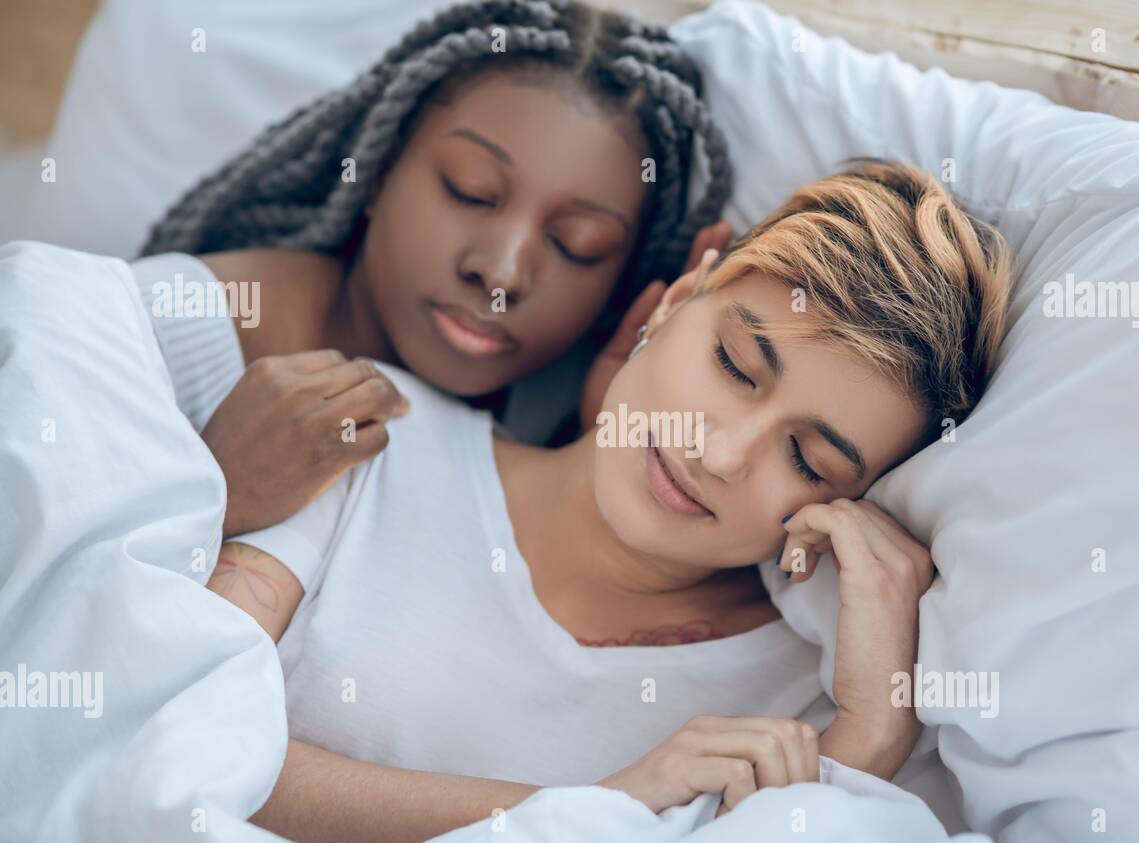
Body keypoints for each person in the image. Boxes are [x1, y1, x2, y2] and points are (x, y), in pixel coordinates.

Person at [206, 159, 1012, 843]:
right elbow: (185, 746)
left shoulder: (807, 710)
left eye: (811, 460)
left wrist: (864, 747)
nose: (720, 455)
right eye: (733, 365)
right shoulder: (373, 436)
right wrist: (613, 810)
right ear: (678, 301)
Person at [134, 0, 733, 537]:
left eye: (578, 245)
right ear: (378, 166)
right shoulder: (155, 330)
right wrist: (221, 498)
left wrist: (594, 452)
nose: (501, 275)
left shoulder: (551, 417)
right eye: (470, 192)